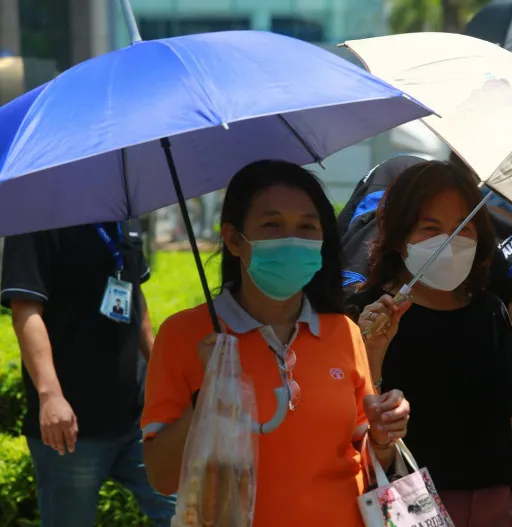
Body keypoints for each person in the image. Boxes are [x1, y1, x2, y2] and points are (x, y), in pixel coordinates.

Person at [141, 160, 410, 526]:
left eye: (306, 226)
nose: (292, 239)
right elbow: (161, 476)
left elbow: (363, 455)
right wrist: (207, 397)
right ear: (234, 239)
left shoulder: (344, 333)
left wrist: (382, 436)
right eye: (272, 224)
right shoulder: (184, 336)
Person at [348, 161, 512, 527]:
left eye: (462, 229)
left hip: (499, 512)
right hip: (407, 510)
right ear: (400, 235)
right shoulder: (366, 316)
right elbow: (359, 429)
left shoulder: (490, 312)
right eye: (431, 229)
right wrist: (372, 350)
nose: (449, 243)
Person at [0, 220, 176, 526]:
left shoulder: (123, 218)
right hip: (70, 430)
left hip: (139, 419)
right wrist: (51, 396)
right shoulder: (37, 219)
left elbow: (135, 298)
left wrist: (163, 370)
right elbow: (25, 311)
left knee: (184, 511)